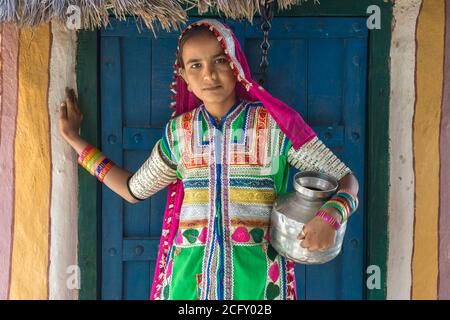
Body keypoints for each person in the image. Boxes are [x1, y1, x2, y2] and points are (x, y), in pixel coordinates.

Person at [58, 19, 359, 300]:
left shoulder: (274, 126)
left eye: (219, 60)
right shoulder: (178, 134)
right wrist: (75, 139)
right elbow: (132, 189)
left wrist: (331, 216)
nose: (209, 75)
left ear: (236, 65)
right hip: (188, 282)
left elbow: (346, 179)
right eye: (196, 66)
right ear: (184, 77)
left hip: (257, 283)